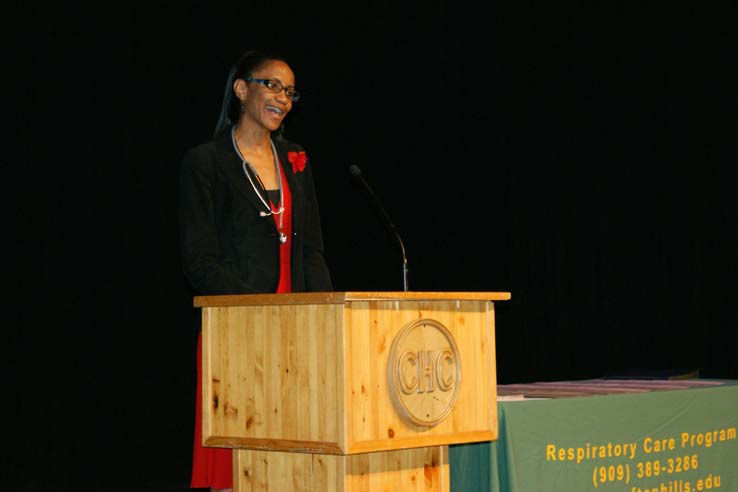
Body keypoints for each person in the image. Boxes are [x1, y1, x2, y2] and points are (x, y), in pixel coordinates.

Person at [178, 49, 333, 492]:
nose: (283, 98)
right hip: (238, 325)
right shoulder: (205, 162)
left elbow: (312, 252)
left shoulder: (296, 160)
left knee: (293, 456)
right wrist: (256, 307)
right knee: (238, 461)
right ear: (242, 90)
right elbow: (198, 261)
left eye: (290, 91)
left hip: (297, 327)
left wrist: (325, 316)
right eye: (272, 85)